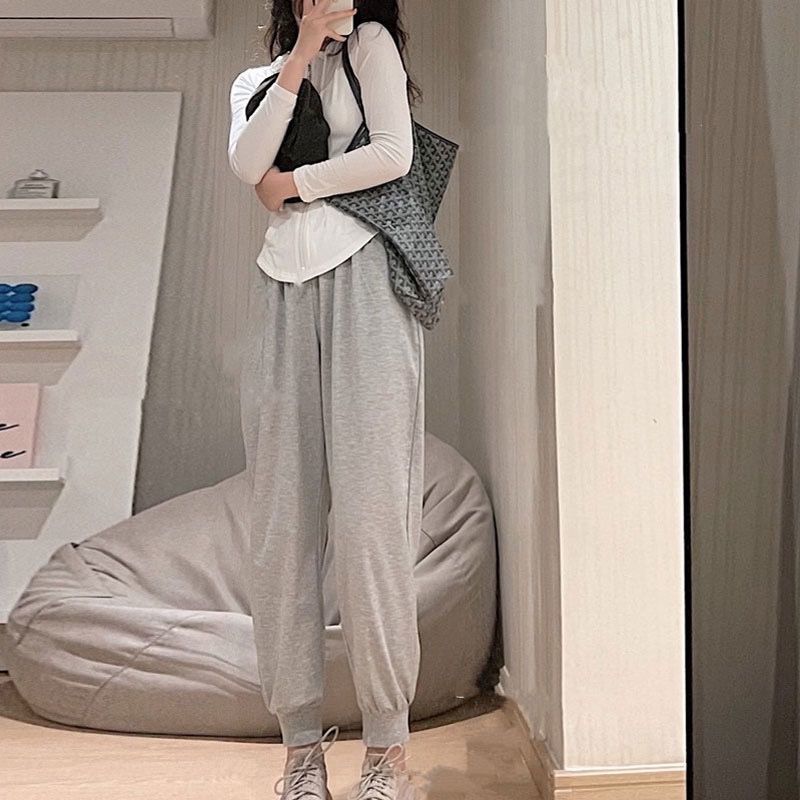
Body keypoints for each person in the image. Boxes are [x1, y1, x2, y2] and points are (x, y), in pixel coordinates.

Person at [227, 1, 425, 798]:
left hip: (366, 280)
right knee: (282, 523)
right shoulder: (256, 78)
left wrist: (295, 184)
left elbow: (395, 154)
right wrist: (302, 52)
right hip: (281, 290)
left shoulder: (372, 44)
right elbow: (248, 166)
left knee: (374, 519)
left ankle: (387, 751)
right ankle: (300, 751)